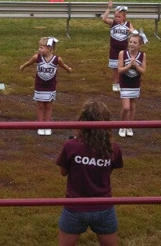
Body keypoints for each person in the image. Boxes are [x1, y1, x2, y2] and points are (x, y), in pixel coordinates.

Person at [56, 100, 123, 246]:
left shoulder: (71, 146)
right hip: (104, 207)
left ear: (81, 121)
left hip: (74, 207)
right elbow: (108, 172)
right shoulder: (113, 148)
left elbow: (63, 172)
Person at [20, 37, 72, 136]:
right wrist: (22, 66)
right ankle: (40, 125)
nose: (39, 49)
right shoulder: (37, 57)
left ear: (49, 48)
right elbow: (29, 63)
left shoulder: (57, 59)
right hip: (39, 86)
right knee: (40, 105)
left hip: (50, 86)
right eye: (39, 47)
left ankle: (47, 125)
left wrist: (68, 69)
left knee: (48, 106)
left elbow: (64, 65)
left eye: (41, 47)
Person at [117, 30, 147, 138]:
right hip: (124, 83)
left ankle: (129, 125)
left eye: (135, 43)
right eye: (130, 42)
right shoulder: (122, 53)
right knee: (126, 107)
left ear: (140, 45)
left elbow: (143, 72)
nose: (132, 44)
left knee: (132, 106)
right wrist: (129, 65)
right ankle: (122, 125)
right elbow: (119, 70)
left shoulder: (142, 55)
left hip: (135, 84)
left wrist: (136, 66)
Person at [101, 1, 134, 92]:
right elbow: (104, 19)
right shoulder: (113, 23)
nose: (117, 18)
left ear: (124, 17)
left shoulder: (128, 24)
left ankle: (122, 83)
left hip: (124, 50)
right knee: (115, 69)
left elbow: (133, 32)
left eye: (119, 17)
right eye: (116, 16)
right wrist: (109, 8)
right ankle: (115, 84)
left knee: (123, 68)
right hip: (114, 50)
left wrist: (131, 31)